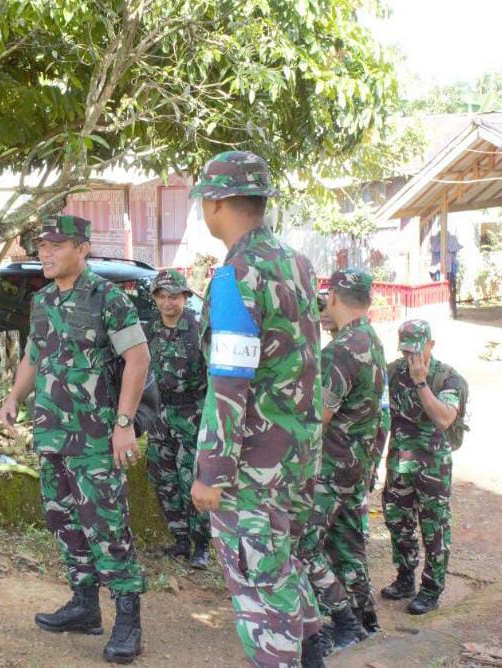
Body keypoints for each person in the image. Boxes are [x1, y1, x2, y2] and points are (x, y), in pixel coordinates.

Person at [187, 151, 328, 667]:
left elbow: (229, 382)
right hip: (298, 458)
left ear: (215, 203)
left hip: (252, 469)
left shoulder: (235, 276)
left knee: (260, 589)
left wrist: (212, 471)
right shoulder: (297, 263)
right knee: (285, 568)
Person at [0, 215, 149, 664]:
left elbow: (138, 359)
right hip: (51, 433)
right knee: (63, 520)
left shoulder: (107, 298)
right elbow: (33, 355)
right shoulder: (42, 300)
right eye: (41, 245)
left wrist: (124, 424)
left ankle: (128, 617)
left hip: (95, 438)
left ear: (82, 249)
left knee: (107, 526)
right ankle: (85, 605)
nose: (45, 253)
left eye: (56, 245)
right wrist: (14, 396)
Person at [297, 268, 386, 650]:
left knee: (303, 545)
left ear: (333, 297)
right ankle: (366, 621)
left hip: (331, 466)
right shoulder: (370, 339)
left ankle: (346, 621)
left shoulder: (341, 349)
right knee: (348, 545)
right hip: (355, 463)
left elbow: (319, 415)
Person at [381, 319, 464, 615]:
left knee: (434, 528)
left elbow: (443, 419)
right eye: (406, 352)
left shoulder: (447, 378)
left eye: (416, 351)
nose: (411, 358)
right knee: (397, 522)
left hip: (433, 467)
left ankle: (431, 590)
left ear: (431, 345)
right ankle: (405, 578)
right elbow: (379, 416)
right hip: (399, 463)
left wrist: (421, 382)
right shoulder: (392, 373)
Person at [145, 269, 210, 568]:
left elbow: (214, 376)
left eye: (173, 296)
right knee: (164, 478)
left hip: (192, 415)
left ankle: (202, 544)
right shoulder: (148, 330)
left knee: (192, 480)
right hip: (158, 415)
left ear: (185, 297)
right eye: (161, 296)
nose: (167, 302)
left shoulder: (199, 330)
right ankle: (180, 539)